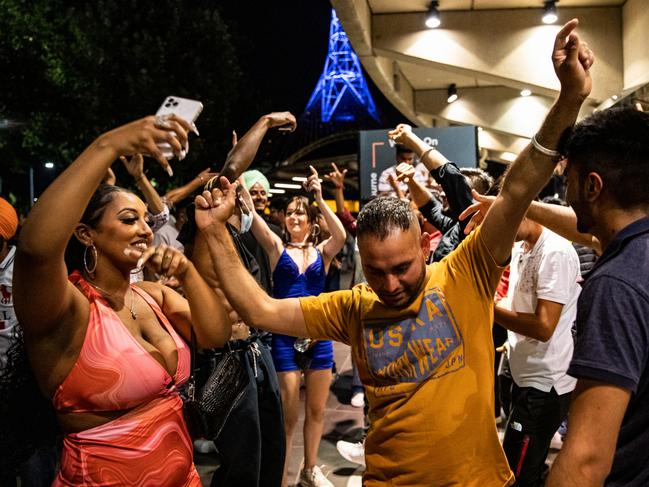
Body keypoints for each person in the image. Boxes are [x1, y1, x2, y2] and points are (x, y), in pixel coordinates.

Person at [194, 19, 593, 485]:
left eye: (402, 268)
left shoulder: (469, 272)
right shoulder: (353, 308)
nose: (391, 284)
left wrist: (569, 99)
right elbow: (259, 309)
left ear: (423, 249)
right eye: (376, 271)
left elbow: (520, 185)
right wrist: (214, 231)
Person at [12, 114, 232, 486]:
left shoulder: (152, 296)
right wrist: (108, 144)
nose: (146, 230)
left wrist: (189, 274)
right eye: (130, 220)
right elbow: (35, 250)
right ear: (85, 234)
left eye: (146, 220)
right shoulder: (68, 309)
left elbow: (216, 335)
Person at [542, 109, 649, 485]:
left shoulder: (616, 284)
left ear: (592, 186)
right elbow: (588, 233)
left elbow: (587, 460)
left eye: (568, 180)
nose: (565, 193)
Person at [235, 166, 345, 487]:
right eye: (291, 215)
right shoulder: (275, 249)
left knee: (317, 411)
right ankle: (280, 476)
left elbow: (339, 235)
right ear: (284, 219)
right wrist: (241, 175)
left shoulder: (322, 252)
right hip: (283, 338)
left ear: (310, 222)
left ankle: (311, 470)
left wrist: (320, 198)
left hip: (318, 336)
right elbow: (252, 214)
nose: (295, 219)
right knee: (287, 417)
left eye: (302, 215)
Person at [496, 217, 580, 486]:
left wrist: (487, 310)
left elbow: (544, 326)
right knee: (523, 464)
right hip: (525, 375)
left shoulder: (554, 251)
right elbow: (518, 303)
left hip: (544, 383)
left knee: (519, 474)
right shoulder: (522, 248)